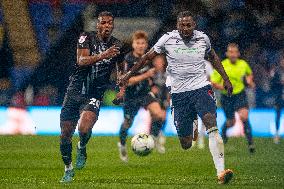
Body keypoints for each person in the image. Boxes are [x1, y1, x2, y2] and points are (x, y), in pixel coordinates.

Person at [119, 11, 234, 184]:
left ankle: (220, 172)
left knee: (211, 123)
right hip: (179, 94)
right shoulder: (167, 39)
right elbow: (146, 57)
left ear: (194, 25)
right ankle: (192, 121)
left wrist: (225, 78)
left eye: (189, 25)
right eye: (182, 25)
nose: (185, 28)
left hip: (201, 88)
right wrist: (128, 74)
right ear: (177, 25)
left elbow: (213, 57)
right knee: (186, 143)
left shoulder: (203, 38)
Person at [59, 11, 127, 183]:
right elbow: (81, 60)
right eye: (103, 22)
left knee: (84, 128)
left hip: (94, 93)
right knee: (65, 134)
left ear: (113, 25)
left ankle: (82, 146)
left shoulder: (117, 44)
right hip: (74, 90)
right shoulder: (86, 37)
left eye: (109, 23)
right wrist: (103, 55)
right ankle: (68, 168)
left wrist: (121, 89)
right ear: (97, 25)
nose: (106, 26)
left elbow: (121, 69)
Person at [117, 31, 166, 162]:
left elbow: (153, 74)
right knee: (127, 123)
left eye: (143, 43)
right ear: (133, 44)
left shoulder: (148, 58)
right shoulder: (128, 60)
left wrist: (153, 84)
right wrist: (145, 75)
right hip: (131, 96)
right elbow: (127, 81)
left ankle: (154, 137)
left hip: (145, 94)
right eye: (137, 43)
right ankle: (121, 144)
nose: (140, 45)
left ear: (146, 45)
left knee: (159, 114)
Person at [211, 43, 256, 153]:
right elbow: (213, 82)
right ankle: (224, 130)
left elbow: (249, 74)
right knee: (231, 122)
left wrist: (250, 80)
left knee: (244, 116)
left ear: (238, 53)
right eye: (230, 52)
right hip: (227, 97)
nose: (233, 54)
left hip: (240, 94)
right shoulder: (222, 65)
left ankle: (251, 144)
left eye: (235, 52)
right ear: (227, 53)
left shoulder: (243, 64)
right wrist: (223, 87)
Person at [271, 54, 284, 144]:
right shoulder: (276, 72)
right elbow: (272, 84)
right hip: (279, 97)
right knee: (278, 115)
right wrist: (280, 83)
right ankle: (276, 134)